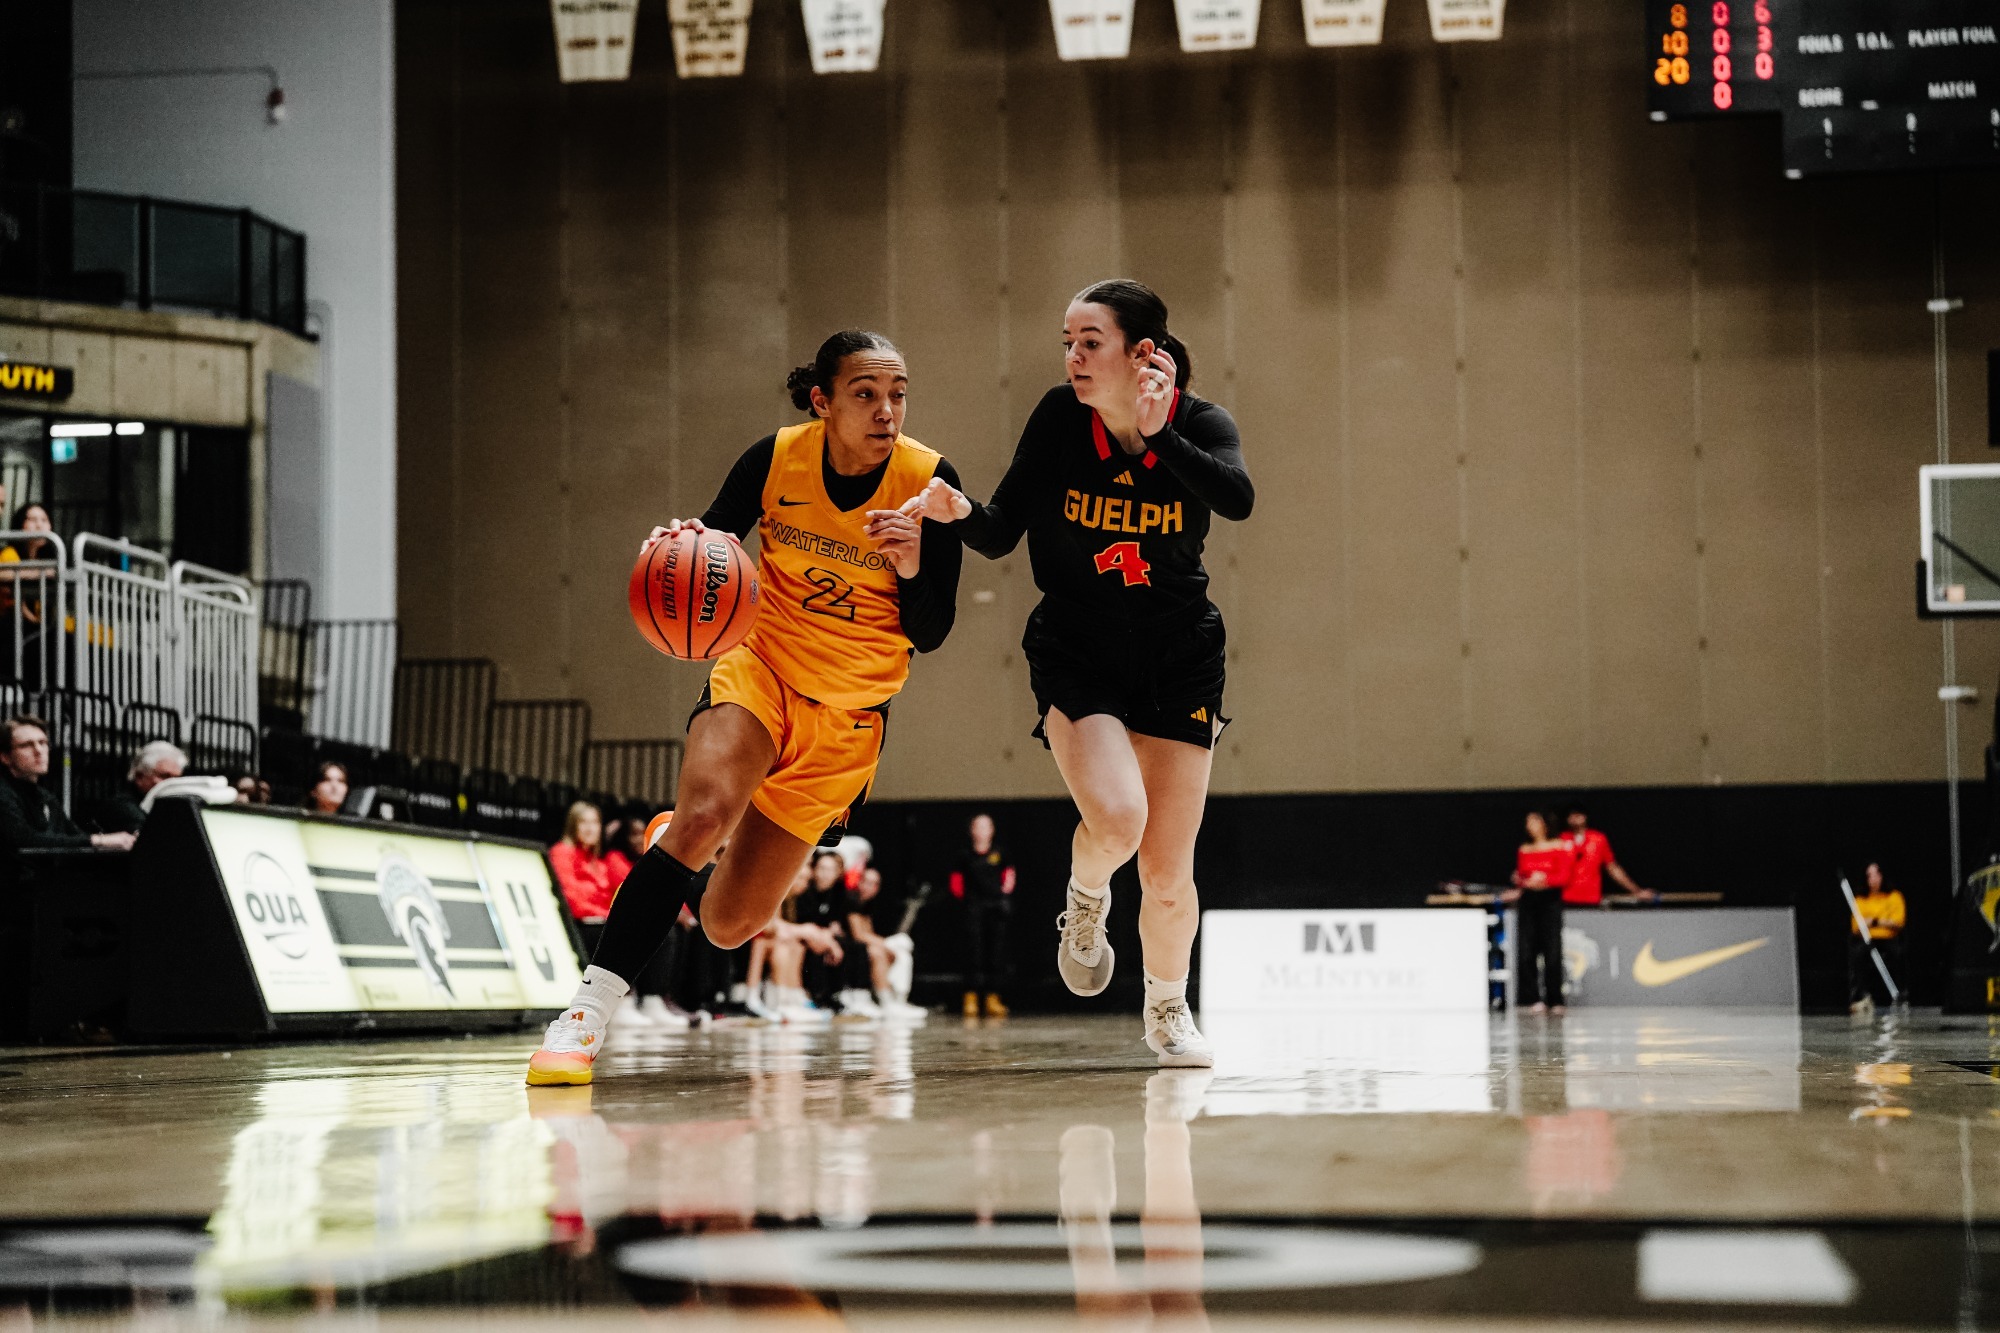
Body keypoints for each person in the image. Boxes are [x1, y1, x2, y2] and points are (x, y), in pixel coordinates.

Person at [529, 330, 965, 1084]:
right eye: (865, 394)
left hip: (851, 715)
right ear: (822, 401)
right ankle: (583, 1016)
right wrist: (681, 544)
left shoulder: (928, 482)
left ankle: (686, 845)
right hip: (763, 668)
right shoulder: (774, 458)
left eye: (897, 394)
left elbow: (932, 629)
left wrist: (913, 564)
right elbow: (716, 541)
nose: (886, 410)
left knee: (731, 926)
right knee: (703, 817)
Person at [917, 280, 1253, 1067]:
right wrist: (956, 510)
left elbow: (1236, 500)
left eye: (1089, 340)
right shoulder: (1057, 422)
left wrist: (1160, 431)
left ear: (1145, 353)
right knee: (1117, 820)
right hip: (1079, 647)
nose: (1072, 356)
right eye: (1066, 340)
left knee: (1170, 874)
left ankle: (1167, 1009)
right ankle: (1086, 897)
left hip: (1178, 657)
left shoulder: (1203, 425)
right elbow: (1001, 532)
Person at [0, 716, 135, 862]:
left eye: (43, 743)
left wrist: (122, 840)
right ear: (5, 757)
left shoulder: (45, 797)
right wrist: (98, 840)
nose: (39, 750)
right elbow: (23, 839)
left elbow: (73, 834)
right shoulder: (4, 792)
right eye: (26, 745)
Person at [950, 812, 1015, 1019]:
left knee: (995, 953)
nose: (982, 831)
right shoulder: (964, 855)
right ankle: (970, 998)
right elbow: (956, 883)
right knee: (973, 953)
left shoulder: (1000, 853)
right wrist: (968, 903)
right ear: (972, 830)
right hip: (973, 909)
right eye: (978, 826)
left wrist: (1002, 897)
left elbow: (1009, 876)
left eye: (986, 826)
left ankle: (992, 998)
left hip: (995, 908)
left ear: (992, 830)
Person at [1510, 810, 1575, 1015]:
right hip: (1529, 901)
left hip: (1550, 901)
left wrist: (1544, 880)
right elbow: (1520, 876)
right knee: (1527, 950)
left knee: (1552, 951)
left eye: (1534, 821)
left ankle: (1555, 998)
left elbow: (1564, 877)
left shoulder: (1559, 846)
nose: (1529, 826)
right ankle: (1532, 997)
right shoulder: (1525, 849)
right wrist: (1524, 881)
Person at [1561, 805, 1653, 906]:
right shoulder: (1561, 839)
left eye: (1579, 813)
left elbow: (1613, 868)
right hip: (1564, 899)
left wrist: (1636, 891)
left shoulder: (1598, 839)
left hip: (1590, 899)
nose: (1575, 816)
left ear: (1585, 816)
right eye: (1571, 814)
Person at [1848, 861, 1906, 1015]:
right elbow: (1856, 926)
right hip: (1867, 939)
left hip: (1889, 939)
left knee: (1897, 953)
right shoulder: (1861, 900)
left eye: (1876, 874)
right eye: (1869, 876)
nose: (1873, 879)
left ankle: (1900, 993)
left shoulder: (1894, 897)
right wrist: (1882, 921)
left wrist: (1872, 921)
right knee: (1858, 954)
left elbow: (1898, 922)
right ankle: (1862, 995)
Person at [549, 801, 618, 925]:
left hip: (600, 924)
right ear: (572, 826)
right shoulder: (562, 852)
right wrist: (610, 917)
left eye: (594, 822)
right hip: (578, 926)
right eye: (583, 822)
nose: (590, 829)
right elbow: (571, 902)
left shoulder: (599, 862)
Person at [98, 740, 187, 834]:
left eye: (177, 778)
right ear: (140, 776)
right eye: (164, 776)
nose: (172, 783)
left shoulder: (169, 805)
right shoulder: (122, 807)